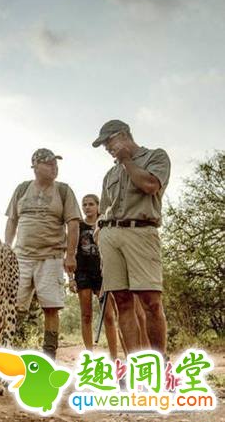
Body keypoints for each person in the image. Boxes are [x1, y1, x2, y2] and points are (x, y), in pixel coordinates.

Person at [92, 119, 171, 356]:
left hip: (141, 231)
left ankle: (159, 365)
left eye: (109, 140)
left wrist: (126, 160)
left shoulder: (156, 156)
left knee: (151, 302)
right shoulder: (110, 174)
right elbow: (105, 207)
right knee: (122, 302)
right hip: (110, 235)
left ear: (124, 135)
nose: (106, 147)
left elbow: (150, 185)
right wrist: (99, 229)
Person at [4, 148, 81, 360]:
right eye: (48, 164)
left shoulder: (63, 191)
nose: (54, 168)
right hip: (21, 258)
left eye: (55, 164)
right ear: (35, 166)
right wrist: (6, 248)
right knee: (13, 306)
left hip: (52, 257)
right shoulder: (22, 189)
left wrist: (71, 255)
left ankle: (49, 356)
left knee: (51, 307)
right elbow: (12, 220)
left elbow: (73, 224)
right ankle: (5, 350)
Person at [69, 194, 119, 360]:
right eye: (84, 204)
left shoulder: (104, 223)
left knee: (109, 316)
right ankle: (89, 356)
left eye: (91, 204)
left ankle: (114, 357)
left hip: (103, 273)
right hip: (82, 272)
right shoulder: (78, 226)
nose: (87, 207)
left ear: (98, 206)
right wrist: (71, 277)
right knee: (86, 315)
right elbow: (69, 251)